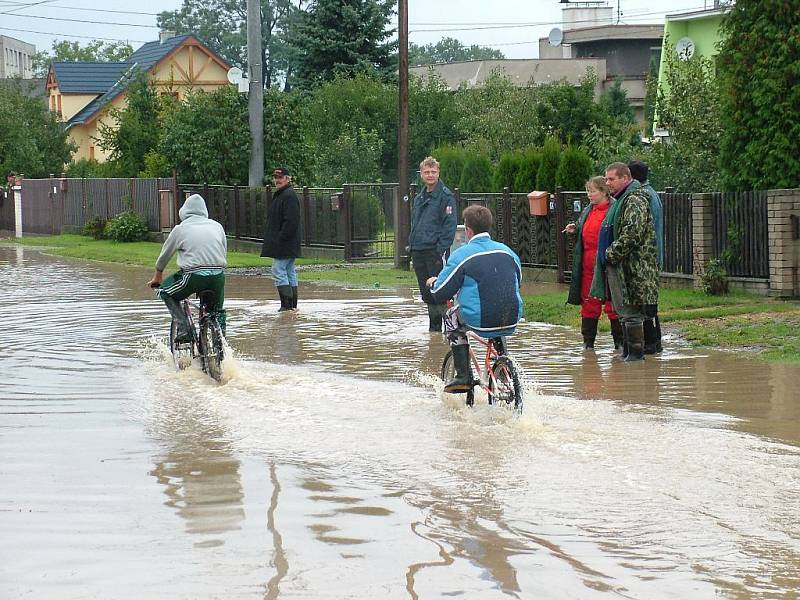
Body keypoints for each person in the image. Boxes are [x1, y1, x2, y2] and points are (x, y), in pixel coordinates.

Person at [426, 205, 523, 392]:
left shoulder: (462, 254)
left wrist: (433, 283)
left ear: (468, 229)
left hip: (481, 318)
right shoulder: (507, 251)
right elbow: (517, 281)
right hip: (511, 315)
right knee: (497, 312)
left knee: (451, 317)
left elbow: (442, 291)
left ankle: (463, 376)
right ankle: (503, 362)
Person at [589, 162, 659, 362]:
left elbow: (631, 234)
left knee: (631, 312)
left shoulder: (634, 199)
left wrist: (610, 253)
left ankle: (635, 356)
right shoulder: (621, 199)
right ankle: (628, 353)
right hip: (621, 266)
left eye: (611, 179)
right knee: (623, 312)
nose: (607, 183)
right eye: (606, 179)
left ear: (625, 178)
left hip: (633, 267)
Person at [147, 193, 227, 342]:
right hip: (218, 275)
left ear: (184, 211)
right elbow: (223, 249)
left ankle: (185, 329)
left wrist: (158, 275)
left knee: (164, 291)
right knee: (217, 311)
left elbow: (165, 254)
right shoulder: (217, 226)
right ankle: (221, 344)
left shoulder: (180, 229)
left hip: (193, 276)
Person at [563, 176, 624, 351]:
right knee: (589, 303)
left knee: (613, 303)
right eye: (588, 191)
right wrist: (575, 229)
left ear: (604, 192)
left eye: (593, 191)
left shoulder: (615, 209)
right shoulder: (588, 210)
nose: (589, 194)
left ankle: (619, 343)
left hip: (608, 264)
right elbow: (583, 229)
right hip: (588, 264)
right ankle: (588, 344)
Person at [409, 156, 457, 332]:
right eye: (426, 172)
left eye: (433, 172)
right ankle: (434, 331)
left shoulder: (446, 197)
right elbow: (415, 224)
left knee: (440, 291)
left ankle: (450, 331)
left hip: (435, 252)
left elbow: (449, 227)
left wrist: (440, 250)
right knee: (427, 294)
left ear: (438, 173)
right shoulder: (419, 197)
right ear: (421, 174)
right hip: (419, 251)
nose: (430, 175)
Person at [628, 160, 664, 354]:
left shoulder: (643, 196)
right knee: (649, 301)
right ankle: (655, 342)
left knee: (646, 303)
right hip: (653, 255)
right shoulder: (652, 193)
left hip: (647, 257)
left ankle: (651, 343)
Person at [261, 167, 302, 312]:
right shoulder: (283, 194)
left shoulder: (288, 196)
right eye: (275, 177)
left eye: (280, 177)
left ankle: (286, 306)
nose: (277, 180)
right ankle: (292, 307)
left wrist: (280, 239)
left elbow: (291, 221)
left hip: (285, 243)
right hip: (287, 243)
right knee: (289, 270)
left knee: (278, 269)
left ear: (287, 178)